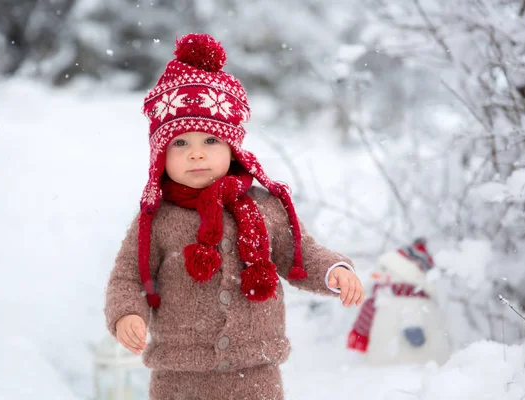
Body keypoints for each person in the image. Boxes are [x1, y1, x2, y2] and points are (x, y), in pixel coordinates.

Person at [104, 33, 364, 400]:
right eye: (181, 143)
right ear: (161, 154)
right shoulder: (157, 217)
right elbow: (128, 276)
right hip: (179, 375)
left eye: (210, 141)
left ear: (233, 148)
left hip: (255, 371)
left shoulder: (264, 206)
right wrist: (126, 314)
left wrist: (333, 271)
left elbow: (298, 252)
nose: (196, 154)